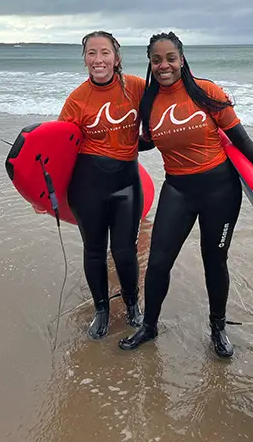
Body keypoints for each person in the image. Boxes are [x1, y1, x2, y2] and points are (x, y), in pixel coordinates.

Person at [118, 31, 253, 358]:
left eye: (170, 58)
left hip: (220, 191)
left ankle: (218, 327)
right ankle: (149, 327)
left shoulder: (206, 92)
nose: (164, 65)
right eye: (156, 60)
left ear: (181, 59)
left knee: (215, 260)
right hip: (178, 189)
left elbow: (241, 139)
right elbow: (152, 139)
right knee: (159, 262)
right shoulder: (148, 101)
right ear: (150, 64)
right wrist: (113, 148)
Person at [57, 31, 149, 339]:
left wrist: (214, 101)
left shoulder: (136, 87)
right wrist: (46, 197)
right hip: (87, 187)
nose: (98, 59)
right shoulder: (76, 100)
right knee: (94, 251)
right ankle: (101, 310)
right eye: (91, 53)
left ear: (117, 57)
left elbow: (169, 106)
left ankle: (133, 305)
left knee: (125, 251)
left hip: (127, 183)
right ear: (84, 59)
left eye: (105, 53)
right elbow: (58, 151)